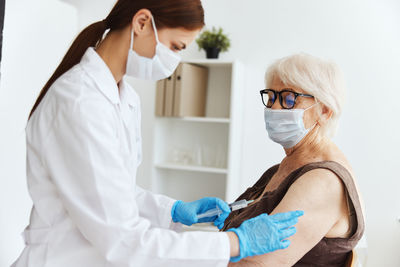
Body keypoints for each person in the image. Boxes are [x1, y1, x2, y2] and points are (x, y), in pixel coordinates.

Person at [11, 1, 304, 266]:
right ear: (141, 23)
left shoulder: (124, 99)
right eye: (175, 47)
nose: (175, 60)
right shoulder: (78, 103)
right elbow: (123, 240)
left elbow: (112, 190)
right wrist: (233, 243)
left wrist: (172, 210)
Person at [222, 53, 365, 266]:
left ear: (324, 111)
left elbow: (258, 264)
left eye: (289, 99)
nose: (274, 109)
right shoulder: (285, 167)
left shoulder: (323, 182)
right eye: (271, 97)